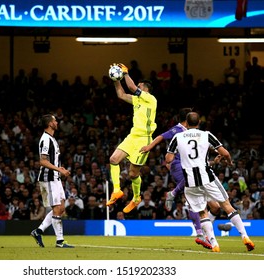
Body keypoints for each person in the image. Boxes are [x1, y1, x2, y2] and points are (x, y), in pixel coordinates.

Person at [165, 112, 255, 252]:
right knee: (226, 205)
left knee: (202, 212)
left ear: (186, 124)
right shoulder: (206, 135)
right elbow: (225, 153)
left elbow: (169, 159)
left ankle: (214, 244)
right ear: (199, 122)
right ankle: (245, 236)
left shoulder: (177, 137)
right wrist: (229, 162)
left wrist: (181, 155)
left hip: (190, 182)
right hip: (207, 177)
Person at [140, 108, 214, 249]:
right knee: (192, 182)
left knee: (195, 201)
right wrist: (149, 147)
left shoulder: (190, 133)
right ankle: (172, 193)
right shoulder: (177, 129)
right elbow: (161, 136)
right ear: (186, 119)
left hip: (184, 166)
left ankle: (200, 234)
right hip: (179, 165)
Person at [106, 63, 157, 214]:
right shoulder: (137, 101)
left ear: (145, 88)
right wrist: (116, 80)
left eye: (140, 85)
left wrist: (125, 73)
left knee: (133, 174)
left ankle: (136, 198)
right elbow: (121, 94)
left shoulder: (151, 99)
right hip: (132, 136)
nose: (137, 86)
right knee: (113, 159)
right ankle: (116, 190)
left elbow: (132, 88)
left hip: (144, 139)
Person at [30, 114, 74, 248]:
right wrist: (59, 170)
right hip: (48, 177)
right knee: (56, 207)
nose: (57, 122)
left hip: (55, 177)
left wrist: (58, 169)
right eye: (55, 121)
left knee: (61, 208)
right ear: (50, 124)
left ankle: (38, 231)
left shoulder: (52, 139)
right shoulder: (46, 139)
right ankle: (60, 241)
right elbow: (42, 161)